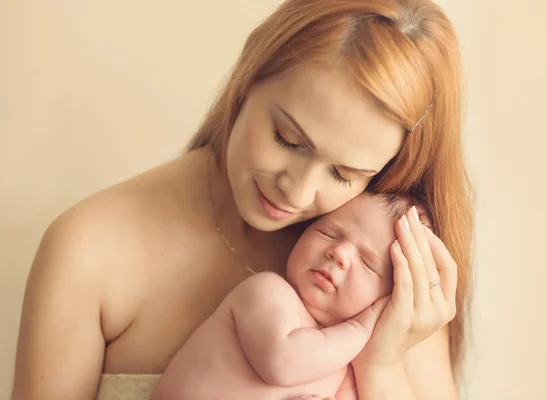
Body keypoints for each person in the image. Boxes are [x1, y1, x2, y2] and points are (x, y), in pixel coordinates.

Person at [11, 0, 473, 399]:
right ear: (250, 73)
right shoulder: (90, 248)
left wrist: (381, 368)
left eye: (343, 174)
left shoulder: (387, 265)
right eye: (287, 138)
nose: (297, 190)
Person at [152, 193, 439, 400]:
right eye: (328, 232)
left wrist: (376, 357)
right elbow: (283, 364)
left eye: (367, 262)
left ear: (392, 297)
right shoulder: (267, 293)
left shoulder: (349, 368)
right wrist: (361, 328)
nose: (339, 253)